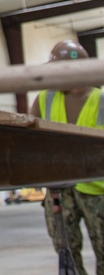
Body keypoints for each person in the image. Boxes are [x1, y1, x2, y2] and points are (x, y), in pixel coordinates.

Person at [30, 40, 104, 275]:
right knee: (65, 249)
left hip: (97, 191)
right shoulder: (45, 98)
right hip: (59, 188)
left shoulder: (101, 100)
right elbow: (29, 137)